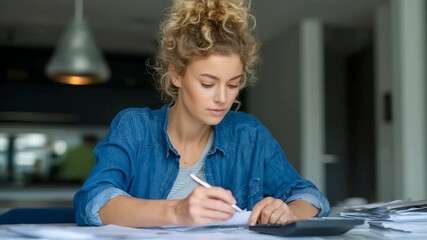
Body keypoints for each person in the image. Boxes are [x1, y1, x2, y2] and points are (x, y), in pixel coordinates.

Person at [73, 0, 330, 227]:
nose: (222, 97)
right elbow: (94, 201)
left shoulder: (249, 135)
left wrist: (287, 213)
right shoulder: (135, 127)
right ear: (176, 74)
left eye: (233, 84)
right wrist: (177, 211)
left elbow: (310, 197)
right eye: (207, 83)